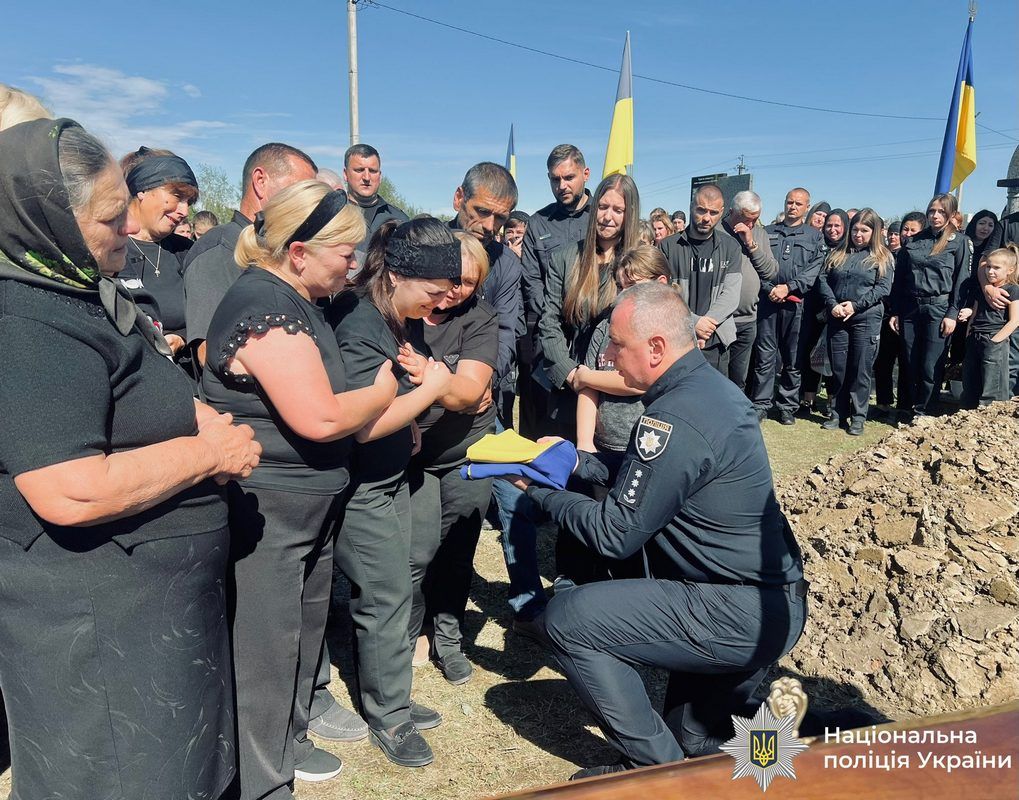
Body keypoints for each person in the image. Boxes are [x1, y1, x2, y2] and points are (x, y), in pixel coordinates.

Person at [0, 118, 261, 799]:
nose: (129, 233)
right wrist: (206, 453)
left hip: (147, 621)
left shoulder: (74, 289)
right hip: (98, 640)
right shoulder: (24, 319)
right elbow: (71, 490)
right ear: (47, 219)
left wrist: (194, 415)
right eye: (111, 220)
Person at [509, 282, 806, 779]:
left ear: (656, 348)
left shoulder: (674, 416)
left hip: (734, 609)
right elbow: (650, 474)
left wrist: (538, 491)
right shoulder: (706, 390)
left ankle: (654, 773)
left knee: (568, 616)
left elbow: (614, 535)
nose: (605, 354)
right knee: (695, 736)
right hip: (770, 605)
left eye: (616, 344)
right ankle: (831, 735)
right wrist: (570, 463)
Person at [326, 218, 458, 768]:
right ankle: (390, 716)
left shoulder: (400, 316)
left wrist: (413, 414)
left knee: (398, 585)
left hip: (391, 478)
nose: (438, 306)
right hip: (363, 487)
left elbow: (392, 401)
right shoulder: (360, 323)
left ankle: (392, 691)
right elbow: (363, 424)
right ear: (399, 274)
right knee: (384, 596)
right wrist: (431, 389)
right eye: (432, 293)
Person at [404, 232, 498, 686]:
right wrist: (445, 385)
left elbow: (471, 390)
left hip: (467, 452)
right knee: (418, 550)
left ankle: (448, 637)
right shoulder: (406, 312)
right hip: (415, 454)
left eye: (470, 282)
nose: (457, 290)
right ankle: (413, 630)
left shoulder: (479, 319)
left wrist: (432, 378)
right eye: (453, 278)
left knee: (458, 549)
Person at [183, 143, 318, 366]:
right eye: (299, 190)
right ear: (260, 181)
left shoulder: (282, 250)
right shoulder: (221, 248)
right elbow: (209, 352)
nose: (307, 204)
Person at [519, 144, 592, 438]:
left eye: (569, 177)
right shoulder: (538, 223)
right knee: (549, 428)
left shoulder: (603, 216)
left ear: (585, 174)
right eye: (554, 179)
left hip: (594, 337)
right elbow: (531, 281)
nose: (562, 186)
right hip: (551, 337)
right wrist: (559, 316)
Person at [574, 245, 668, 456]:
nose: (624, 294)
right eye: (620, 286)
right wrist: (585, 442)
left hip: (647, 448)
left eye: (633, 286)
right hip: (601, 445)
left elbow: (640, 383)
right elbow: (587, 390)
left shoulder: (664, 332)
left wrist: (587, 376)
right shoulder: (605, 326)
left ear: (661, 284)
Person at [449, 161, 523, 424]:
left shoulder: (507, 264)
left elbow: (505, 332)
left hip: (482, 390)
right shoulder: (428, 244)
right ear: (459, 198)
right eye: (482, 211)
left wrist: (484, 381)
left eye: (501, 217)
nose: (490, 226)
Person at [889, 193, 971, 417]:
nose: (935, 216)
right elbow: (900, 280)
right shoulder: (915, 240)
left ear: (951, 214)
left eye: (941, 212)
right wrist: (896, 311)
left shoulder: (960, 242)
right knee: (910, 361)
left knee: (931, 365)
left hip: (939, 308)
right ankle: (910, 408)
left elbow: (962, 282)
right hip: (910, 308)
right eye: (932, 211)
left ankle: (924, 413)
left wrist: (952, 313)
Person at [750, 187, 825, 423]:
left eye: (798, 204)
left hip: (796, 305)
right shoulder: (767, 232)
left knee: (793, 358)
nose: (792, 207)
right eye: (789, 202)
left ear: (806, 207)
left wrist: (789, 287)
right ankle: (761, 403)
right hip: (768, 302)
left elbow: (813, 270)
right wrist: (769, 288)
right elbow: (756, 263)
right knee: (765, 356)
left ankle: (786, 406)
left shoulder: (814, 236)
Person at [817, 208, 893, 435]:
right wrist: (833, 304)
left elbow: (883, 288)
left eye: (864, 230)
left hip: (865, 318)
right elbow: (823, 279)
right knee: (839, 368)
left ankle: (858, 416)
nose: (858, 234)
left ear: (874, 232)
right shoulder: (838, 253)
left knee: (860, 368)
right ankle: (837, 412)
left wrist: (855, 305)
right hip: (838, 315)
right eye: (855, 230)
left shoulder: (882, 257)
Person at [119, 146, 199, 356]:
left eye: (189, 202)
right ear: (142, 189)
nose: (184, 211)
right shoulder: (107, 249)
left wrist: (182, 337)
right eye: (177, 196)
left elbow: (209, 313)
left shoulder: (187, 252)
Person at [658, 184, 742, 373]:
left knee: (714, 400)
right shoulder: (668, 247)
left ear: (721, 212)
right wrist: (694, 322)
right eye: (701, 210)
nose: (706, 218)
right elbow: (663, 293)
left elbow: (731, 294)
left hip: (715, 340)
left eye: (713, 212)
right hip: (677, 338)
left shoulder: (730, 247)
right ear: (691, 206)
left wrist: (706, 325)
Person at [718, 190, 779, 392]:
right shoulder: (716, 231)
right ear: (731, 212)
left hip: (746, 321)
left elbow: (770, 272)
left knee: (738, 380)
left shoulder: (759, 234)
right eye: (745, 219)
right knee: (716, 378)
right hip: (718, 321)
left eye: (755, 220)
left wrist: (751, 243)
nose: (750, 224)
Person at [797, 208, 850, 415]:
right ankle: (808, 400)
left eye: (838, 226)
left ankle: (831, 402)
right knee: (811, 354)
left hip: (837, 310)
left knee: (833, 358)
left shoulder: (849, 251)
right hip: (811, 309)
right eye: (829, 225)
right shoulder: (816, 245)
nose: (833, 230)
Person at [874, 212, 924, 421]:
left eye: (913, 230)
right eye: (905, 229)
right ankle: (883, 402)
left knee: (907, 361)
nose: (906, 234)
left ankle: (905, 404)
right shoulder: (884, 255)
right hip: (887, 315)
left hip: (910, 315)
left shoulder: (919, 256)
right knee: (883, 360)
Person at [957, 245, 1019, 406]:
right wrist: (969, 334)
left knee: (993, 388)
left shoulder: (1013, 290)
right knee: (970, 383)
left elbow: (1015, 320)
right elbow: (976, 313)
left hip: (994, 339)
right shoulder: (982, 290)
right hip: (975, 338)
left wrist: (995, 341)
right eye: (988, 267)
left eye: (996, 268)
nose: (990, 271)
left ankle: (989, 422)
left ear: (1010, 270)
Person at [342, 143, 410, 252]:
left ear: (380, 175)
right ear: (345, 174)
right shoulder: (332, 216)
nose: (367, 177)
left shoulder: (399, 219)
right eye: (359, 170)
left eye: (373, 171)